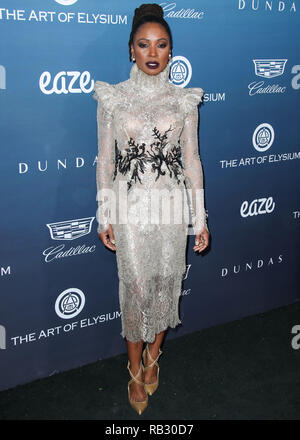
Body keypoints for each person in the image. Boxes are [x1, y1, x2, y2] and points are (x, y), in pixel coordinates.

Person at [93, 3, 210, 415]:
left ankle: (153, 357)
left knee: (165, 283)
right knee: (136, 288)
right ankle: (133, 367)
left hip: (170, 207)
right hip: (129, 208)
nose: (152, 53)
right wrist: (104, 214)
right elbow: (105, 160)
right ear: (131, 50)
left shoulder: (184, 101)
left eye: (162, 45)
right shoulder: (112, 98)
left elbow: (192, 160)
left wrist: (200, 218)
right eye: (144, 45)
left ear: (171, 51)